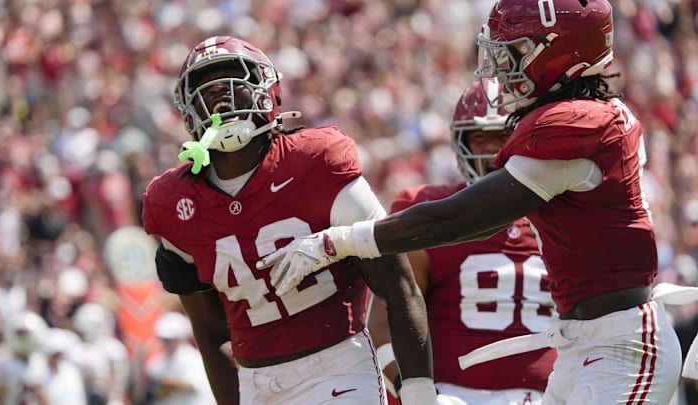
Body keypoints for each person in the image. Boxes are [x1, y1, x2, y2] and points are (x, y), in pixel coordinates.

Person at [259, 1, 685, 403]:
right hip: (584, 342)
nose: (503, 67)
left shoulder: (576, 123)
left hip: (621, 341)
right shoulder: (589, 115)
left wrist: (338, 241)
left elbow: (464, 218)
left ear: (561, 53)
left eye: (516, 50)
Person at [141, 36, 437, 405]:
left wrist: (420, 392)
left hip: (337, 366)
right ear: (188, 110)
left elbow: (398, 285)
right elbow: (209, 330)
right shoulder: (172, 203)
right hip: (254, 382)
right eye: (209, 91)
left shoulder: (318, 161)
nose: (222, 99)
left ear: (267, 91)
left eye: (234, 84)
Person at [367, 79, 557, 404]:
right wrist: (417, 393)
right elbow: (383, 324)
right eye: (480, 138)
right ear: (460, 142)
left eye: (503, 136)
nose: (492, 150)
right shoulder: (427, 211)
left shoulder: (563, 218)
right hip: (457, 397)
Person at [145, 312, 215, 405]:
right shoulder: (158, 360)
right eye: (164, 339)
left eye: (169, 339)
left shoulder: (193, 358)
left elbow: (193, 386)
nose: (166, 343)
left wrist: (166, 382)